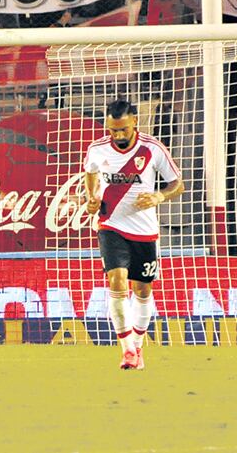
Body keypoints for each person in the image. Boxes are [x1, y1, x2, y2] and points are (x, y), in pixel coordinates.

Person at [84, 99, 184, 370]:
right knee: (117, 281)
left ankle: (137, 347)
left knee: (142, 289)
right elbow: (90, 173)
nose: (118, 135)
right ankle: (127, 350)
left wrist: (159, 196)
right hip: (110, 224)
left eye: (123, 129)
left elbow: (178, 184)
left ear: (135, 123)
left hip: (144, 229)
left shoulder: (152, 148)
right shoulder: (97, 149)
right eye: (113, 130)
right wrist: (91, 197)